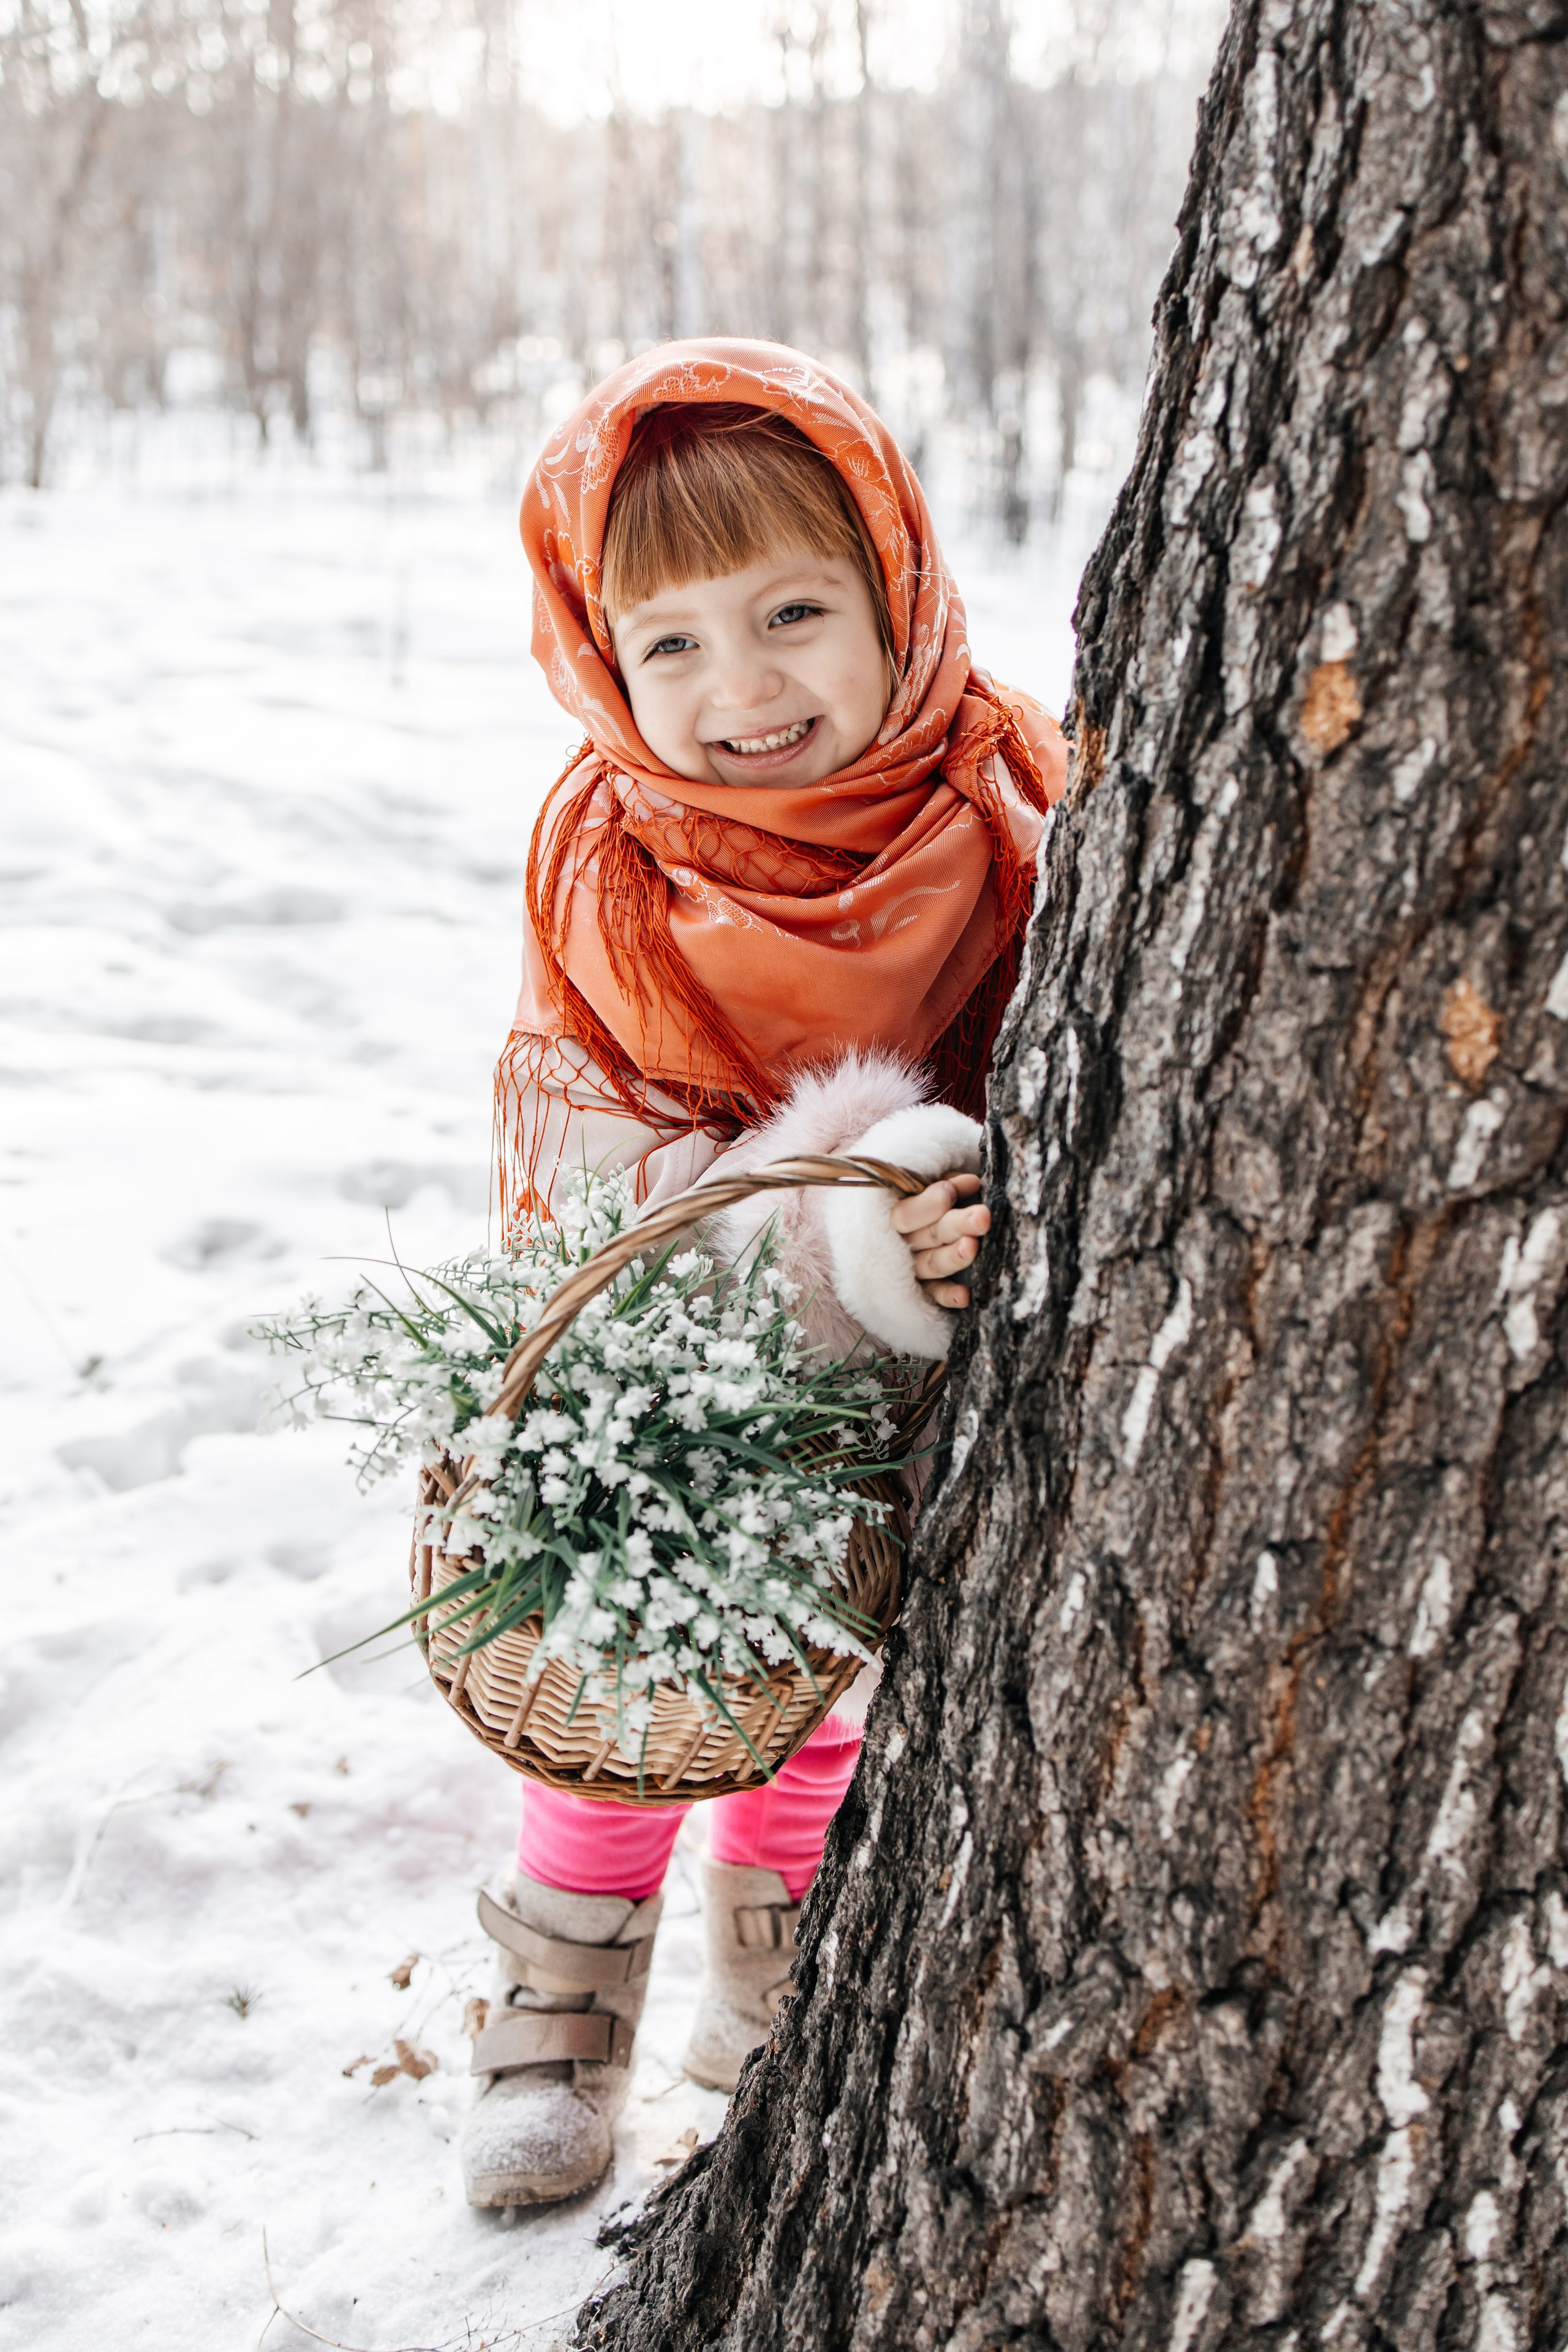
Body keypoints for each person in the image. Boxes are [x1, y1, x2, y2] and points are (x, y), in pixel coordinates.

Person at [463, 340, 1067, 2207]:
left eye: (797, 610)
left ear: (897, 579)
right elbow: (589, 1173)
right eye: (672, 645)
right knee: (639, 1650)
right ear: (600, 661)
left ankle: (778, 1946)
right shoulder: (613, 868)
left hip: (965, 1336)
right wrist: (824, 1227)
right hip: (697, 1347)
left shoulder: (1009, 792)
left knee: (849, 1656)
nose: (742, 692)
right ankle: (561, 1982)